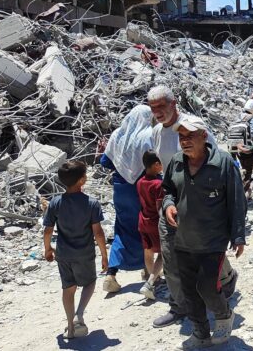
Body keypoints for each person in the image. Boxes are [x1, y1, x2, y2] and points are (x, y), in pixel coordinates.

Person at [147, 85, 236, 329]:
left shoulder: (193, 127)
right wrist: (166, 201)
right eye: (153, 108)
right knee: (171, 257)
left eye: (161, 106)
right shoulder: (156, 132)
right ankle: (179, 306)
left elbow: (216, 162)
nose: (157, 112)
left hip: (200, 206)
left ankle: (226, 279)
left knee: (206, 253)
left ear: (173, 104)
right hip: (172, 204)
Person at [162, 116, 246, 349]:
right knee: (189, 291)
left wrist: (238, 236)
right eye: (181, 137)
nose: (184, 141)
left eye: (190, 136)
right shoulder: (176, 162)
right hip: (183, 238)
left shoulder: (223, 162)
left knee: (207, 287)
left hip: (212, 239)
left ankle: (223, 314)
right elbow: (168, 189)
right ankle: (200, 333)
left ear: (203, 136)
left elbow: (237, 200)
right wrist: (168, 205)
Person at [43, 160, 108, 339]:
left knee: (68, 288)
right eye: (84, 175)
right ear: (81, 180)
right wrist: (104, 255)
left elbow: (47, 230)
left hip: (63, 254)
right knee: (90, 282)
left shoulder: (55, 203)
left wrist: (48, 249)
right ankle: (79, 314)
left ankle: (71, 328)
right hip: (84, 254)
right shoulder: (91, 203)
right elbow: (98, 233)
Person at [99, 105, 153, 293]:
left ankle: (111, 274)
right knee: (145, 227)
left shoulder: (117, 134)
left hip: (120, 189)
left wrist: (123, 167)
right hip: (143, 189)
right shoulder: (149, 135)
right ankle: (149, 271)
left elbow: (105, 161)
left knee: (122, 229)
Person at [136, 150, 164, 301]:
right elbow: (160, 207)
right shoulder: (158, 184)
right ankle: (150, 283)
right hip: (155, 223)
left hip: (143, 221)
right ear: (156, 164)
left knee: (148, 251)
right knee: (163, 253)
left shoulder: (140, 182)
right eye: (160, 164)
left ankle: (154, 278)